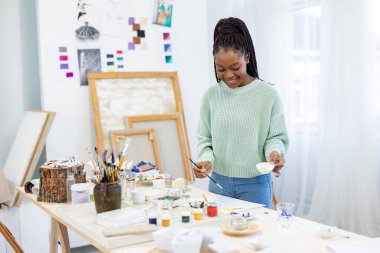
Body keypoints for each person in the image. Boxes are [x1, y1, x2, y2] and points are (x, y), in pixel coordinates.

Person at [194, 17, 289, 208]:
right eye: (220, 69)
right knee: (221, 235)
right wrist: (205, 161)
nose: (228, 75)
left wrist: (274, 153)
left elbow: (276, 137)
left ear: (247, 57)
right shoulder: (211, 96)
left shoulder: (268, 95)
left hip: (256, 184)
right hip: (219, 183)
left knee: (256, 235)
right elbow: (205, 139)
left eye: (235, 67)